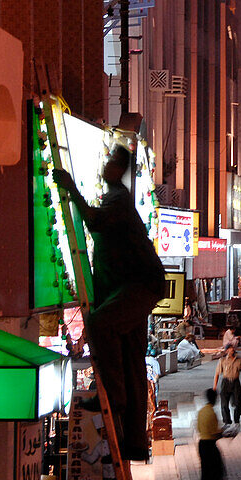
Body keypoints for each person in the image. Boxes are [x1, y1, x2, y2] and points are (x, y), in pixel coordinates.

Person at [54, 147, 166, 462]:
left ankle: (113, 396)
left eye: (111, 163)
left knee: (101, 324)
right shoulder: (116, 199)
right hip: (132, 287)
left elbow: (94, 222)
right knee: (132, 361)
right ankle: (132, 441)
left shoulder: (119, 200)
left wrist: (71, 188)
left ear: (120, 170)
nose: (106, 167)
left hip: (139, 287)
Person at [197, 388, 225, 480]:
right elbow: (214, 433)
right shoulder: (212, 413)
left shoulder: (201, 412)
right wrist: (225, 433)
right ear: (214, 399)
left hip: (202, 444)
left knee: (205, 474)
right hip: (210, 445)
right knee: (215, 471)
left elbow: (199, 428)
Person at [213, 345, 241, 426]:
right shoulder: (222, 360)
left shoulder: (239, 359)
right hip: (226, 382)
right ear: (226, 351)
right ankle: (227, 421)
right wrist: (214, 386)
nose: (231, 352)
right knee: (224, 403)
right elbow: (217, 374)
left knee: (237, 403)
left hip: (235, 382)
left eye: (232, 350)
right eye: (230, 350)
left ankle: (237, 420)